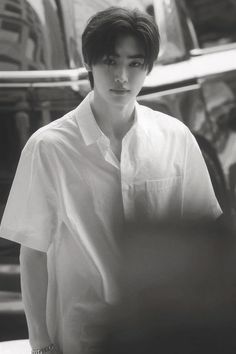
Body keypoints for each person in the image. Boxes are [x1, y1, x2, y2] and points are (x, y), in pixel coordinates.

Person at [0, 6, 222, 354]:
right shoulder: (49, 147)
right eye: (109, 61)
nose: (121, 76)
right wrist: (41, 343)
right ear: (89, 62)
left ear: (148, 67)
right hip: (84, 334)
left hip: (163, 333)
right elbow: (33, 255)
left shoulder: (175, 138)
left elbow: (204, 242)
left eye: (134, 63)